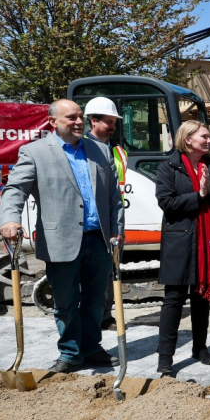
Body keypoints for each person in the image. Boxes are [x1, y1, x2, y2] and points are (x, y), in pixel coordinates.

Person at [0, 99, 123, 373]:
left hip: (98, 239)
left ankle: (91, 347)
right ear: (53, 122)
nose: (79, 121)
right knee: (65, 303)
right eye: (71, 117)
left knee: (95, 301)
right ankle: (70, 352)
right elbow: (15, 189)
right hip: (60, 241)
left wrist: (117, 230)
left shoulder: (101, 151)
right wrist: (10, 218)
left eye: (80, 116)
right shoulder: (35, 153)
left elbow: (114, 196)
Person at [154, 120, 210, 377]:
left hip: (208, 241)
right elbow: (166, 203)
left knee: (202, 298)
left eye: (209, 136)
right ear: (187, 139)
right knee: (174, 299)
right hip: (179, 241)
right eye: (204, 136)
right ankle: (165, 358)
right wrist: (197, 196)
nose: (209, 140)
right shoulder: (169, 167)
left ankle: (199, 348)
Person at [84, 96, 127, 332]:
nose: (112, 127)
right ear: (93, 121)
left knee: (111, 269)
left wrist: (118, 225)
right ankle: (93, 317)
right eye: (108, 122)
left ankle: (106, 315)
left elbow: (116, 191)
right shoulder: (84, 148)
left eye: (114, 122)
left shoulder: (117, 151)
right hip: (94, 221)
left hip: (114, 217)